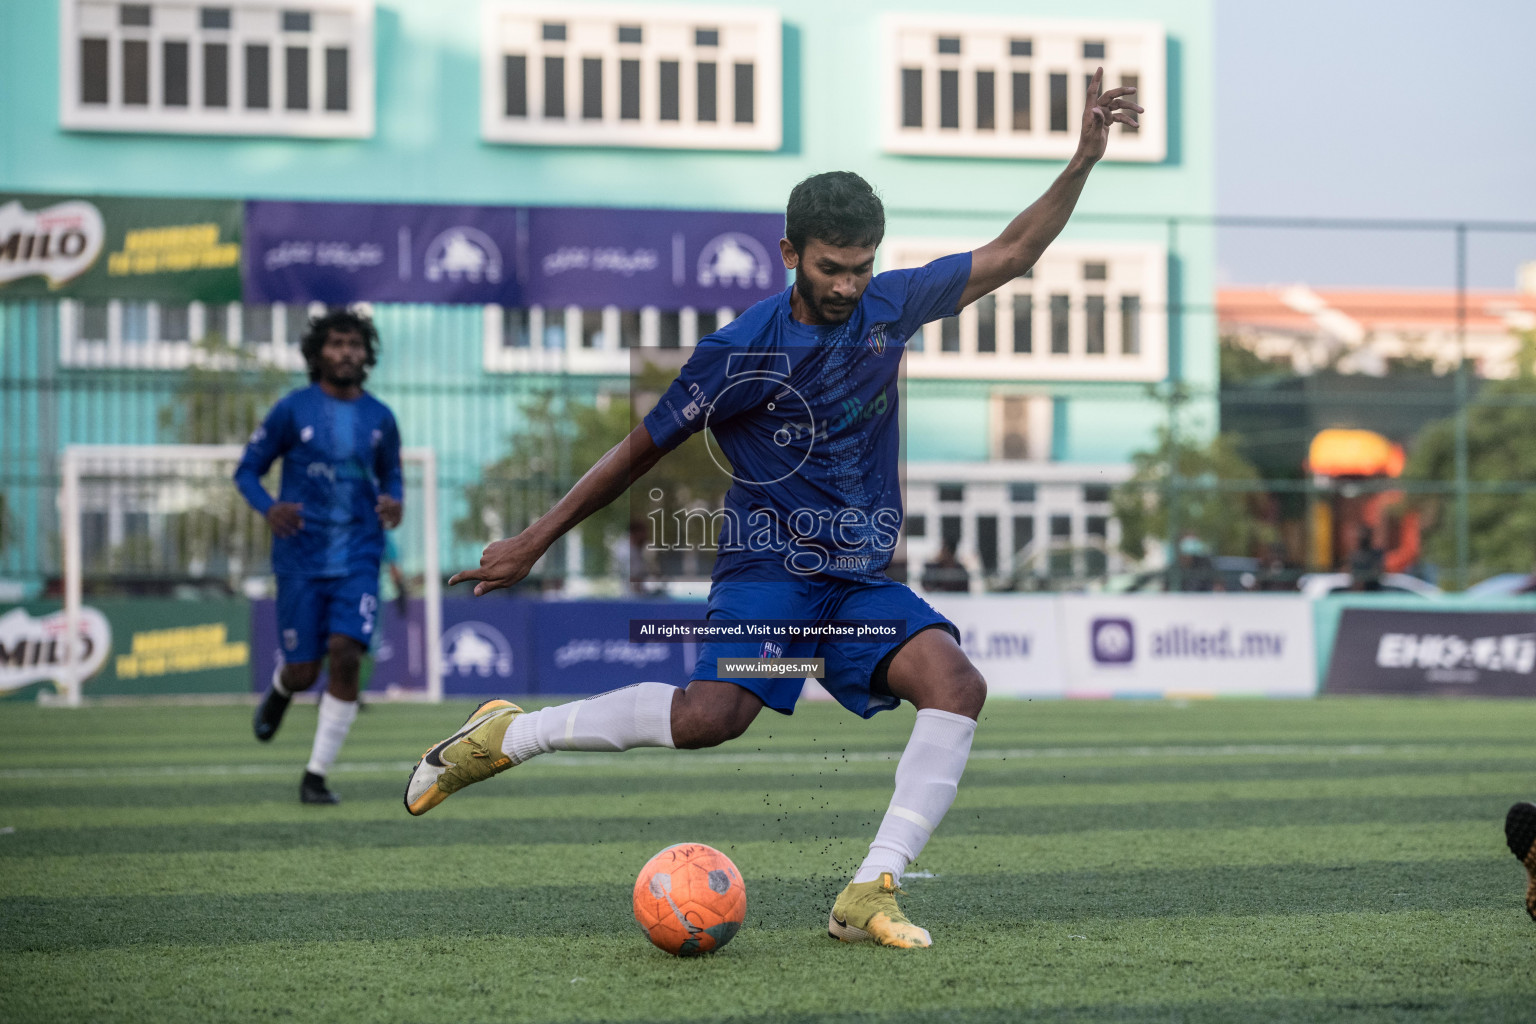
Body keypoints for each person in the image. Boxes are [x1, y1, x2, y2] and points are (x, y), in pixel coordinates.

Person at [404, 71, 1141, 948]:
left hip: (855, 580)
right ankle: (510, 737)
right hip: (769, 572)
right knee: (711, 720)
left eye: (862, 267)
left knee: (956, 684)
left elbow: (1015, 253)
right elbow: (638, 451)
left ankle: (870, 891)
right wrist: (535, 539)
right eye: (832, 267)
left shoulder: (891, 304)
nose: (848, 284)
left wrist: (1083, 160)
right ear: (789, 252)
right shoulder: (738, 350)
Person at [235, 309, 403, 804]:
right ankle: (283, 689)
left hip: (358, 555)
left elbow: (392, 475)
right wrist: (269, 508)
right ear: (318, 353)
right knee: (305, 670)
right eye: (336, 343)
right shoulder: (292, 410)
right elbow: (247, 470)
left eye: (354, 344)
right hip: (300, 558)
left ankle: (315, 775)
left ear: (366, 354)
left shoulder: (381, 417)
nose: (346, 352)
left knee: (346, 655)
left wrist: (394, 500)